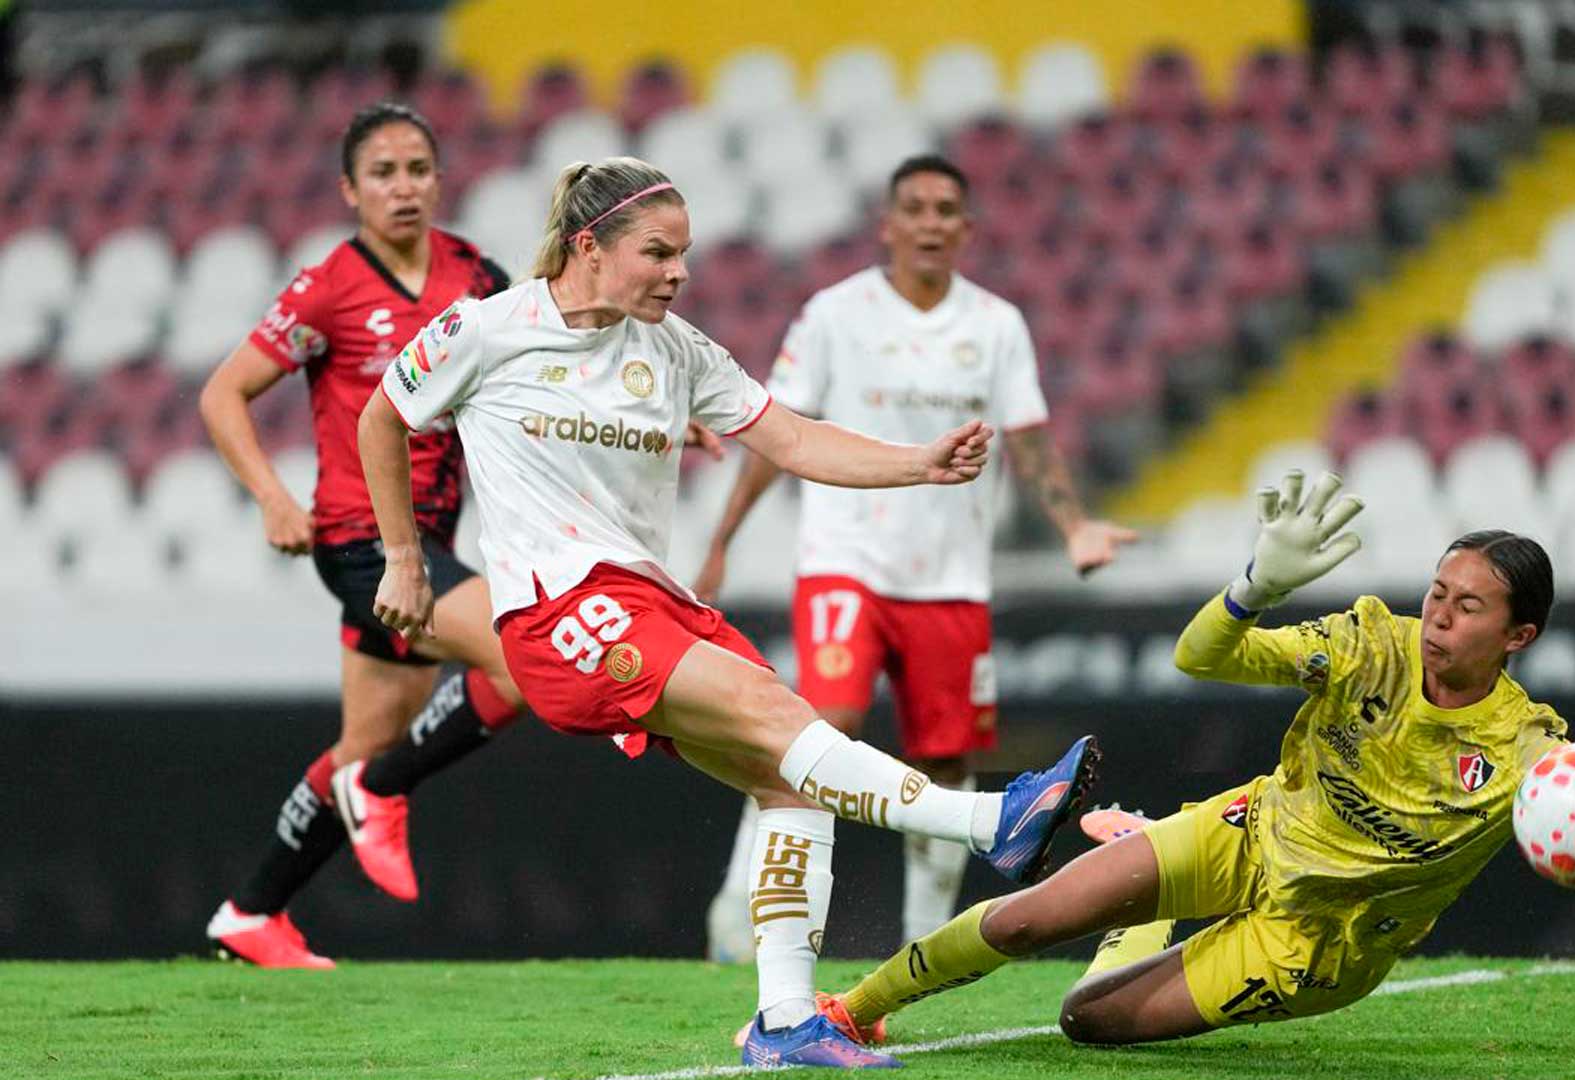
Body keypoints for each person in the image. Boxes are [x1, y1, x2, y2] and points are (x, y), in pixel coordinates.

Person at [356, 155, 1100, 1069]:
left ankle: (785, 1020)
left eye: (685, 254)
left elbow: (794, 439)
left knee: (789, 782)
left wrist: (918, 463)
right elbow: (381, 418)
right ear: (588, 247)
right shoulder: (486, 329)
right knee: (780, 714)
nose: (679, 273)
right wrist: (405, 560)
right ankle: (991, 823)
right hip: (559, 611)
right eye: (657, 253)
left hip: (654, 600)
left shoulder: (677, 350)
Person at [817, 472, 1575, 1048]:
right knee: (1023, 922)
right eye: (1437, 592)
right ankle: (853, 1012)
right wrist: (1253, 590)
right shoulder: (1367, 644)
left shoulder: (1531, 753)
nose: (1440, 616)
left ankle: (1138, 924)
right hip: (1252, 831)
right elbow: (1200, 657)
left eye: (1469, 607)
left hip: (1314, 944)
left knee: (1086, 1022)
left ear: (1519, 635)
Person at [694, 154, 1138, 962]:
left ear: (966, 228)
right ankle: (740, 908)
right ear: (888, 224)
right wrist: (722, 539)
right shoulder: (834, 313)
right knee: (819, 728)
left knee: (945, 755)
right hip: (845, 561)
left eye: (945, 210)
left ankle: (921, 945)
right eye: (916, 208)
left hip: (950, 577)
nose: (930, 223)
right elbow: (778, 432)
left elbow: (1029, 439)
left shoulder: (995, 324)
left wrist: (1074, 526)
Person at [199, 103, 528, 968]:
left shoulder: (477, 276)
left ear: (440, 179)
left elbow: (535, 373)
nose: (403, 187)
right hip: (362, 544)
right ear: (350, 190)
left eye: (418, 168)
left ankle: (251, 913)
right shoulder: (329, 288)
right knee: (526, 657)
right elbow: (223, 393)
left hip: (433, 543)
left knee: (367, 739)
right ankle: (379, 790)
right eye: (383, 173)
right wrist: (272, 498)